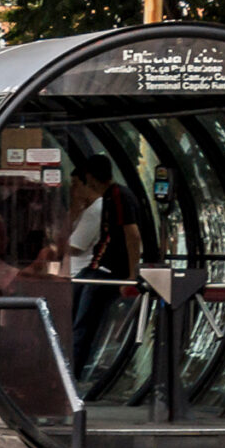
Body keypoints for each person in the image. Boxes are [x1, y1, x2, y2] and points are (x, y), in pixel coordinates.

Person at [65, 155, 146, 374]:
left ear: (90, 177)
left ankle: (72, 371)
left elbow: (132, 235)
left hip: (108, 271)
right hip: (97, 267)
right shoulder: (111, 197)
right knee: (75, 306)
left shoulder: (118, 196)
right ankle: (69, 366)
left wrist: (131, 275)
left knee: (83, 322)